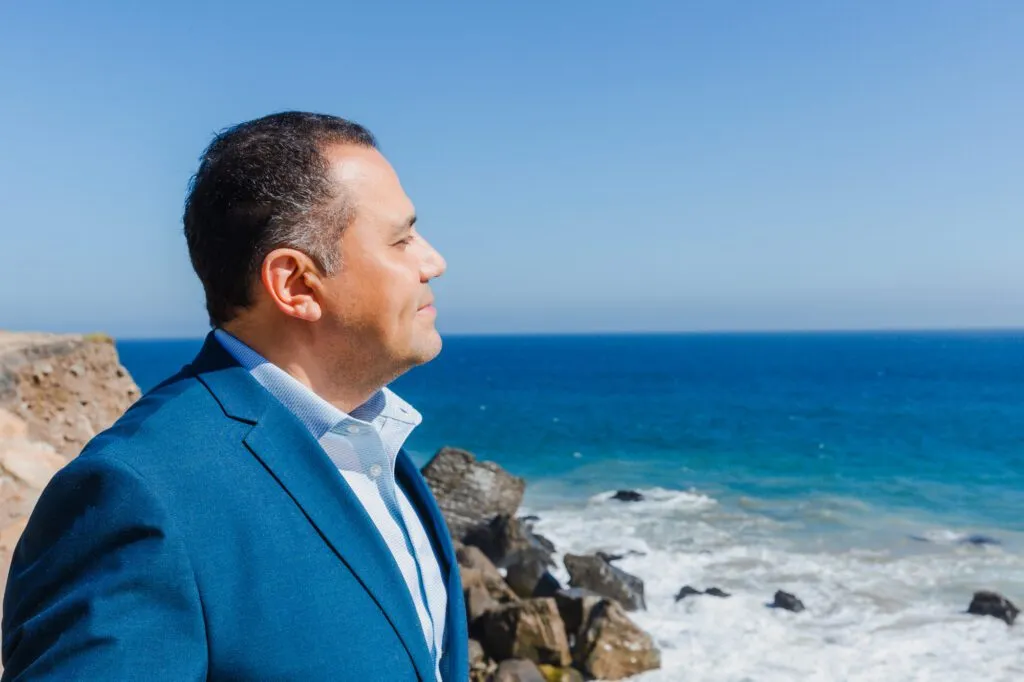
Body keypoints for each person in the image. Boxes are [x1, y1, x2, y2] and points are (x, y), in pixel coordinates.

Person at [1, 112, 467, 681]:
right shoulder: (140, 493)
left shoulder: (373, 447)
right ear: (295, 284)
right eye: (402, 239)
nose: (434, 261)